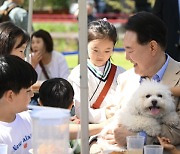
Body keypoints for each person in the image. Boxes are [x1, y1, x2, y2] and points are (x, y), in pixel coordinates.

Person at [103, 11, 180, 151]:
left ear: (152, 47)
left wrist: (137, 136)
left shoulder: (178, 77)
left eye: (130, 50)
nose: (126, 57)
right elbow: (111, 125)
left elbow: (177, 131)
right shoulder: (125, 79)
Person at [68, 19, 126, 124]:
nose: (101, 55)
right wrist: (105, 114)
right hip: (89, 128)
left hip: (117, 124)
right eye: (95, 50)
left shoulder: (122, 74)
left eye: (107, 51)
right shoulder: (78, 73)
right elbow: (80, 110)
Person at [38, 78, 109, 154]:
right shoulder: (72, 129)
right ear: (72, 104)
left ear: (40, 102)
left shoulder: (32, 123)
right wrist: (103, 126)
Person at [0, 55, 37, 153]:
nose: (32, 94)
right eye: (28, 91)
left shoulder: (27, 117)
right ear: (10, 96)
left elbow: (58, 128)